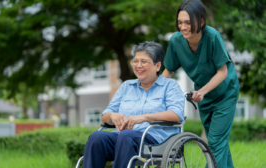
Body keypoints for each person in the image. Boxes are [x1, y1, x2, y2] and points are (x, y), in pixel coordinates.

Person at [162, 0, 239, 167]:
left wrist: (202, 92)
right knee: (218, 143)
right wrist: (153, 93)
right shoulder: (176, 41)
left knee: (215, 143)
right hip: (203, 97)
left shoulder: (212, 37)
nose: (183, 27)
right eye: (180, 22)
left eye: (188, 22)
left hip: (225, 93)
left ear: (201, 21)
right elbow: (168, 71)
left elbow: (222, 72)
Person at [83, 41, 185, 168]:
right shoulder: (126, 86)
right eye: (135, 61)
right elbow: (105, 116)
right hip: (122, 138)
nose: (138, 65)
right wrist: (112, 116)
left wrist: (143, 117)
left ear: (157, 66)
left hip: (156, 140)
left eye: (144, 61)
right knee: (97, 137)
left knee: (127, 136)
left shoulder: (170, 86)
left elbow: (176, 114)